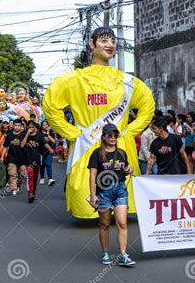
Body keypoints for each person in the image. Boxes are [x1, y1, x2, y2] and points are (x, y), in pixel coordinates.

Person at [43, 27, 155, 219]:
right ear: (91, 45)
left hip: (118, 143)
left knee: (121, 182)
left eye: (112, 40)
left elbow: (148, 105)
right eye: (103, 40)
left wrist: (129, 131)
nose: (109, 45)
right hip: (87, 143)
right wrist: (73, 133)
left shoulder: (126, 81)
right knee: (89, 183)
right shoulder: (74, 80)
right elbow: (50, 105)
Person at [87, 123, 136, 266]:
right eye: (110, 135)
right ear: (104, 137)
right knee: (105, 224)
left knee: (122, 223)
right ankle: (105, 253)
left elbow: (124, 167)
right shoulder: (97, 153)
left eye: (115, 135)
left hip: (120, 190)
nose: (113, 138)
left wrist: (129, 169)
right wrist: (92, 194)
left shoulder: (121, 153)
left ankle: (123, 254)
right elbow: (93, 174)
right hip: (103, 193)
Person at [21, 121, 54, 203]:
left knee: (35, 178)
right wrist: (27, 134)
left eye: (32, 127)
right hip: (28, 160)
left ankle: (33, 192)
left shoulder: (39, 135)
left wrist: (50, 149)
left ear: (35, 127)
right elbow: (22, 145)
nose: (31, 129)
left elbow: (45, 143)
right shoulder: (24, 134)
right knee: (30, 177)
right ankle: (30, 193)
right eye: (29, 127)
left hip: (37, 160)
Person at [1, 119, 27, 197]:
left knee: (22, 175)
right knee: (12, 174)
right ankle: (14, 189)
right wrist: (2, 156)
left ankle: (18, 185)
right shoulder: (9, 135)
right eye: (15, 125)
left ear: (21, 126)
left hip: (22, 158)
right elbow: (5, 147)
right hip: (11, 157)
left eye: (19, 125)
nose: (17, 127)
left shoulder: (24, 135)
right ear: (13, 126)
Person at [39, 120, 56, 186]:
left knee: (48, 164)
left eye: (46, 124)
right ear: (41, 126)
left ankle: (50, 179)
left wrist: (48, 134)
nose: (45, 126)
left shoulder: (51, 132)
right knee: (42, 165)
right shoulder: (39, 132)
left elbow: (53, 141)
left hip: (49, 151)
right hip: (41, 152)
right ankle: (42, 178)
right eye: (44, 125)